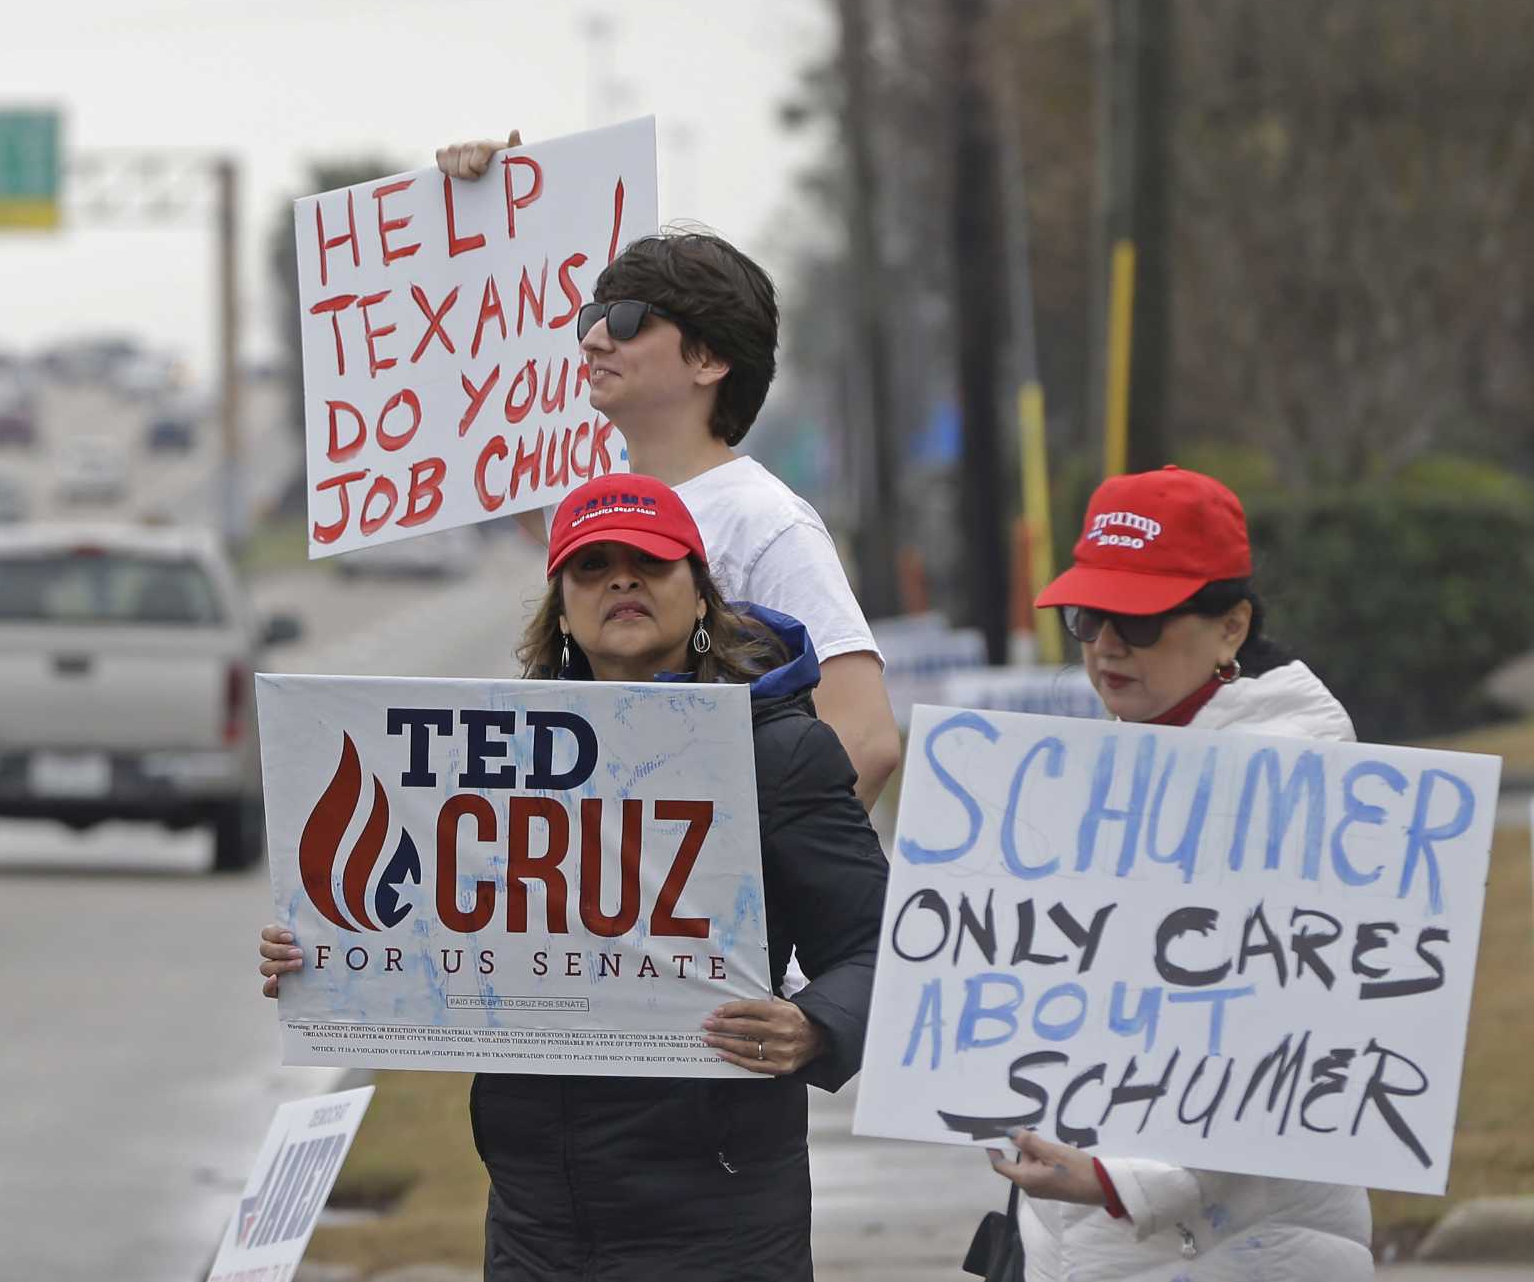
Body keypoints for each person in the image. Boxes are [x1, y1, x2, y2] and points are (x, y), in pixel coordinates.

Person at [260, 473, 891, 1281]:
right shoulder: (493, 769)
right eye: (592, 567)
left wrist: (813, 1026)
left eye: (650, 562)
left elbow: (886, 948)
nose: (621, 579)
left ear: (700, 597)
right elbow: (411, 922)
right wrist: (320, 950)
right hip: (535, 1220)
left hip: (721, 1221)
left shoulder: (778, 754)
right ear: (560, 607)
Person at [435, 132, 902, 810]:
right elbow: (493, 345)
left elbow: (865, 736)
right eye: (592, 316)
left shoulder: (765, 522)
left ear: (708, 360)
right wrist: (489, 200)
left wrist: (724, 878)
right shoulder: (585, 500)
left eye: (626, 320)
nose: (593, 339)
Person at [988, 463, 1372, 1281]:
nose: (1104, 644)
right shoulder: (1093, 774)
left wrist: (1126, 1182)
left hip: (1240, 1246)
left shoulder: (1302, 783)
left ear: (1232, 626)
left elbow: (1292, 1044)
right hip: (1087, 1235)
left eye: (1141, 616)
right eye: (1088, 615)